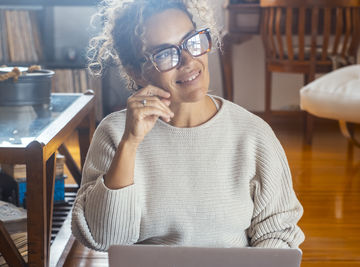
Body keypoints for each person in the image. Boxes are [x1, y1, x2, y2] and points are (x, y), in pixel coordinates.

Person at [71, 0, 305, 251]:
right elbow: (106, 239)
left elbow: (278, 232)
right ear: (137, 73)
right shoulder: (115, 134)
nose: (187, 61)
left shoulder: (253, 135)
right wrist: (130, 143)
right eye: (165, 54)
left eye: (191, 41)